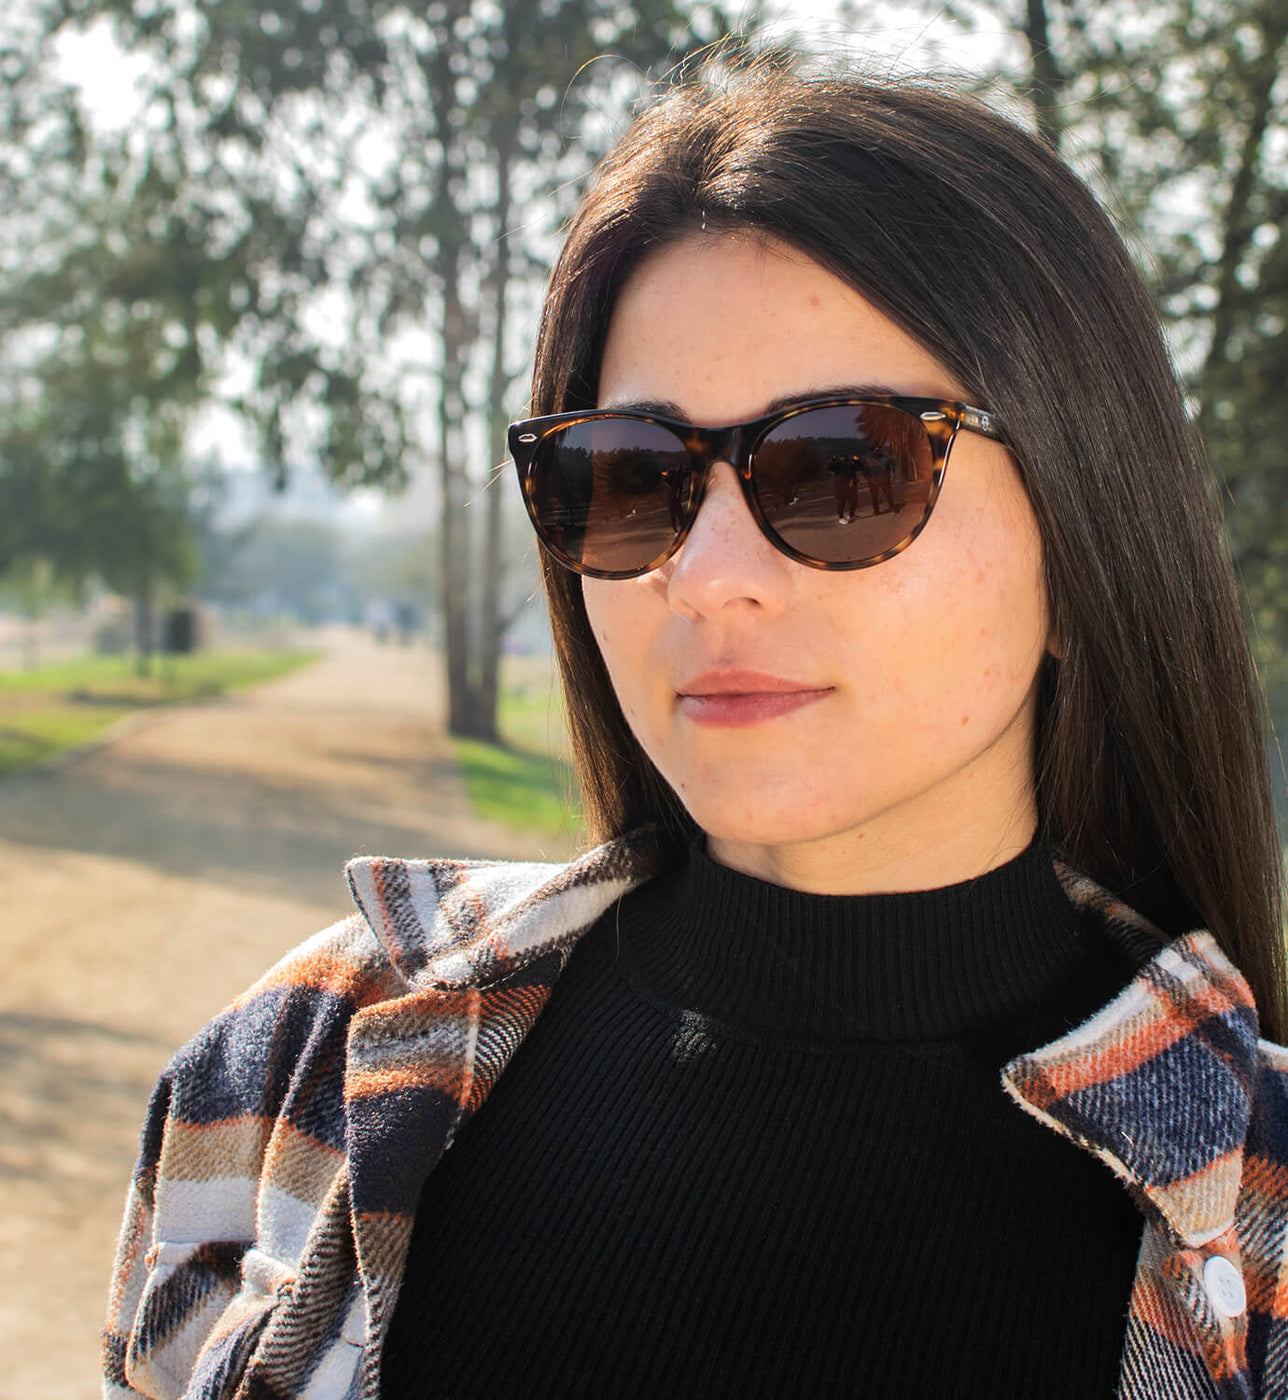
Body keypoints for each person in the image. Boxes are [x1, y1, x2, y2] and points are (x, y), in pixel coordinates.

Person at [103, 63, 1288, 1400]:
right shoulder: (291, 1078)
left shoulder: (1265, 1235)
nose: (707, 570)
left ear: (1086, 544)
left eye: (846, 465)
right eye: (630, 477)